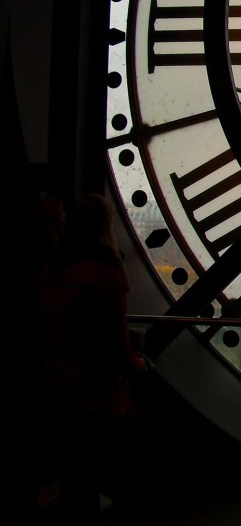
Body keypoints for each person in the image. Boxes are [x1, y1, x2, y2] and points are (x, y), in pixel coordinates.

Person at [36, 193, 146, 523]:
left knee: (77, 476)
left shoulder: (51, 274)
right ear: (105, 225)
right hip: (95, 395)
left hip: (56, 389)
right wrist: (139, 366)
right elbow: (115, 347)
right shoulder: (106, 276)